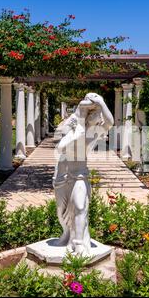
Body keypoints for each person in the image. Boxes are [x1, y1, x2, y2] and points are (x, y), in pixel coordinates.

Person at [52, 93, 114, 256]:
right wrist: (80, 113)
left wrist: (101, 101)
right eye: (94, 114)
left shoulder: (93, 134)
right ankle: (68, 235)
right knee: (62, 213)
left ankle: (79, 243)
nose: (97, 118)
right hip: (62, 178)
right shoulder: (73, 130)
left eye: (97, 115)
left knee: (79, 208)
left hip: (79, 178)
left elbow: (110, 122)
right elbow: (60, 147)